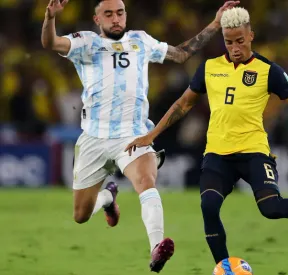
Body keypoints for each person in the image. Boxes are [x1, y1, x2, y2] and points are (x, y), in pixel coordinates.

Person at [125, 7, 288, 265]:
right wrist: (151, 135)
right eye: (228, 41)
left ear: (251, 36)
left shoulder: (269, 71)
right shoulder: (209, 68)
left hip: (254, 151)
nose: (234, 47)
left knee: (272, 209)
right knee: (209, 207)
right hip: (217, 154)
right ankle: (224, 268)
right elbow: (183, 104)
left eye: (240, 41)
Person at [41, 0, 239, 272]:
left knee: (146, 181)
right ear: (97, 19)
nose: (115, 19)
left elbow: (181, 54)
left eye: (120, 13)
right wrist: (50, 18)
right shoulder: (85, 43)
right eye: (108, 14)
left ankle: (157, 247)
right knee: (81, 215)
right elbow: (50, 43)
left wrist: (215, 24)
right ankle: (108, 199)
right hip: (94, 139)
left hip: (133, 135)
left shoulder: (141, 41)